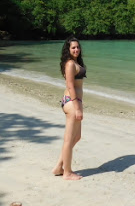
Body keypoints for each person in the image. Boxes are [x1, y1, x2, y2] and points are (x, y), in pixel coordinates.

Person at [52, 37, 86, 180]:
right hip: (72, 103)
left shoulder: (75, 62)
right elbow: (70, 86)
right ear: (68, 49)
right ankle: (67, 172)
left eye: (77, 47)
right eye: (73, 48)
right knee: (68, 139)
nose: (76, 50)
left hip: (74, 102)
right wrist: (77, 108)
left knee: (76, 137)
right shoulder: (70, 64)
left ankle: (59, 166)